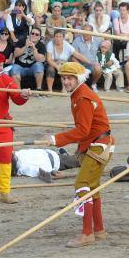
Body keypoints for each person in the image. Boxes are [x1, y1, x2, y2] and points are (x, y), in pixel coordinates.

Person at [42, 62, 112, 247]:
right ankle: (99, 231)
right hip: (97, 143)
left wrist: (56, 139)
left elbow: (82, 130)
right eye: (63, 78)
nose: (65, 82)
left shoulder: (82, 98)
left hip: (99, 145)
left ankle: (87, 234)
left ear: (78, 79)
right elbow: (84, 130)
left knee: (82, 184)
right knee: (93, 185)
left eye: (69, 78)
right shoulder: (79, 93)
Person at [0, 52, 31, 203]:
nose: (0, 68)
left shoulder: (6, 79)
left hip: (2, 125)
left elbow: (17, 98)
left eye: (1, 65)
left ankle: (5, 192)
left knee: (5, 159)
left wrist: (23, 95)